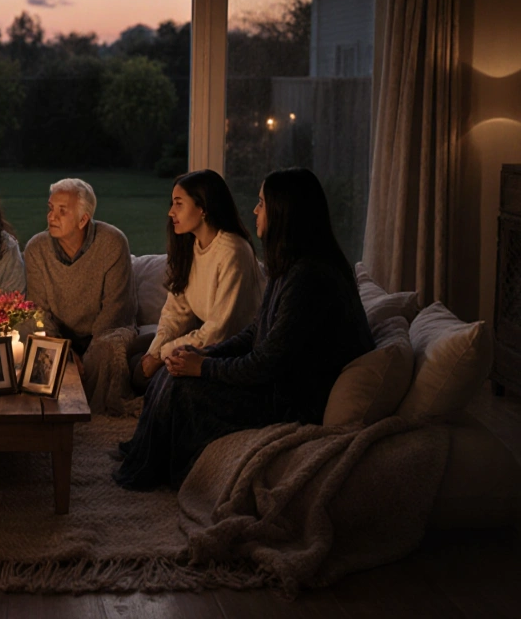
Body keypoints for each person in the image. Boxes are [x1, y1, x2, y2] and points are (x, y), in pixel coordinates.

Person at [114, 168, 374, 491]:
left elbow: (267, 364)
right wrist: (202, 354)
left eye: (262, 203)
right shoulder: (290, 266)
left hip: (291, 400)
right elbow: (255, 332)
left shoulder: (310, 278)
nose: (254, 210)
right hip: (272, 382)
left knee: (184, 387)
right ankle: (145, 456)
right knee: (174, 370)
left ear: (284, 211)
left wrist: (205, 367)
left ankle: (164, 471)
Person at [126, 170, 264, 395]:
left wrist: (163, 357)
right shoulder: (191, 246)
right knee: (135, 357)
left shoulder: (232, 251)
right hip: (206, 340)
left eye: (179, 204)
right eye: (172, 204)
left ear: (203, 208)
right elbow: (175, 312)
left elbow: (220, 331)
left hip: (231, 351)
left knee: (147, 375)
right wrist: (155, 353)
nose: (171, 212)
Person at [23, 178, 136, 414]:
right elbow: (38, 310)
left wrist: (89, 352)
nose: (51, 217)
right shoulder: (37, 248)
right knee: (26, 325)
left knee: (108, 348)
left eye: (62, 211)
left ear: (83, 219)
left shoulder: (113, 243)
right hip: (60, 333)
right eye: (51, 208)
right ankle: (45, 408)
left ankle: (94, 417)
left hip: (105, 331)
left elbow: (115, 310)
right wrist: (62, 348)